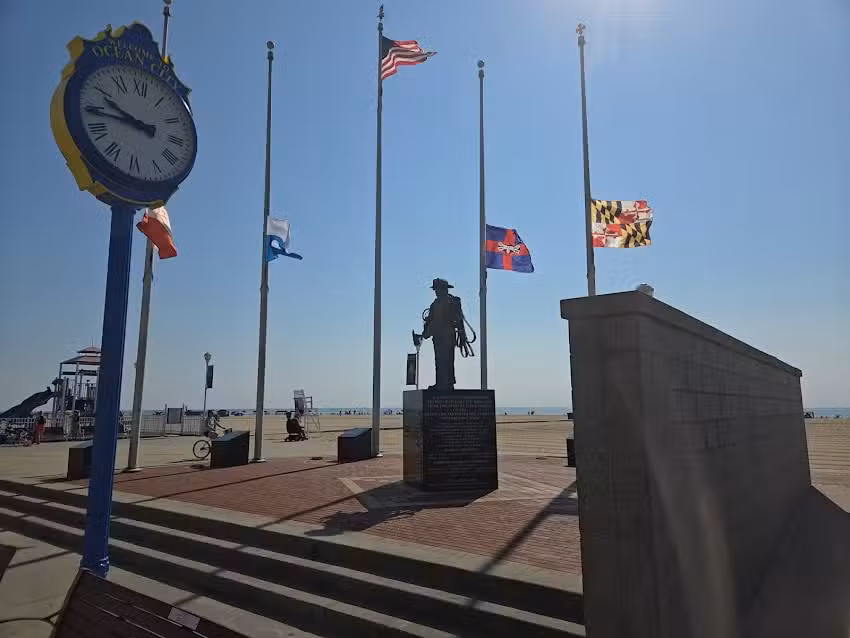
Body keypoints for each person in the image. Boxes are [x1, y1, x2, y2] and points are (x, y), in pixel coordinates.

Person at [422, 278, 465, 390]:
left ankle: (445, 383)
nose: (436, 292)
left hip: (445, 336)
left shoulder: (447, 302)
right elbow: (430, 321)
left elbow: (458, 319)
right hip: (444, 336)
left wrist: (462, 335)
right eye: (435, 289)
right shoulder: (441, 303)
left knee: (445, 360)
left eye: (438, 289)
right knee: (443, 361)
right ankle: (444, 383)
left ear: (443, 289)